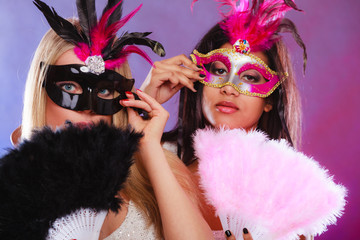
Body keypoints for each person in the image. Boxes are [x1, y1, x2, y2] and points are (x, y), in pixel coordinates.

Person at [10, 0, 213, 239]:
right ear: (40, 91)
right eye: (69, 86)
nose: (87, 109)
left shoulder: (157, 165)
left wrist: (147, 146)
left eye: (104, 91)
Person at [141, 0, 309, 239]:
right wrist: (143, 107)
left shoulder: (290, 188)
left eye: (250, 77)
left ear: (270, 99)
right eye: (219, 70)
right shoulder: (155, 152)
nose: (230, 89)